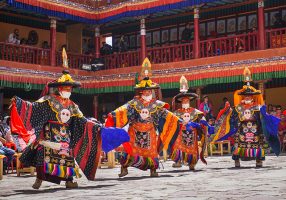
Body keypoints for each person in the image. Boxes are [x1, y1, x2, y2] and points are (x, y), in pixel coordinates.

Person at [9, 52, 130, 189]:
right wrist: (19, 103)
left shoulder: (72, 105)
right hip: (49, 134)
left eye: (70, 89)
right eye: (66, 88)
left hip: (64, 136)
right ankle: (39, 179)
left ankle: (69, 180)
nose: (68, 91)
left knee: (67, 159)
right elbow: (33, 108)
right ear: (60, 88)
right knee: (43, 157)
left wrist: (94, 126)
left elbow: (81, 120)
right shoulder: (48, 100)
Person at [105, 58, 180, 177]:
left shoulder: (156, 104)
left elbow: (166, 114)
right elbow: (123, 110)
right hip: (135, 131)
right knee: (130, 151)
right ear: (141, 91)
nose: (147, 93)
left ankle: (153, 169)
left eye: (149, 91)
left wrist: (177, 120)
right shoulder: (134, 103)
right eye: (145, 91)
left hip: (150, 131)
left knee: (151, 152)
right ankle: (124, 168)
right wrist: (113, 115)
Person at [212, 67, 280, 168]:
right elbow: (231, 116)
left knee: (257, 144)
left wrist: (265, 115)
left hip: (255, 129)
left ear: (252, 97)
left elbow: (263, 117)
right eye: (246, 95)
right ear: (243, 96)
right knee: (239, 144)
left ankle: (258, 160)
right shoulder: (238, 107)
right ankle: (237, 161)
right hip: (242, 128)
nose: (247, 97)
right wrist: (226, 109)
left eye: (249, 95)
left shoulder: (257, 107)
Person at [170, 76, 211, 170]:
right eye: (183, 100)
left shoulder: (194, 111)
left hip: (192, 133)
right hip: (180, 133)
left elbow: (201, 119)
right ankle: (178, 161)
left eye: (187, 100)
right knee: (178, 147)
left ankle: (191, 163)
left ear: (189, 101)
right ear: (180, 101)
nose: (185, 101)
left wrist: (204, 122)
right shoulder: (177, 112)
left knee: (192, 149)